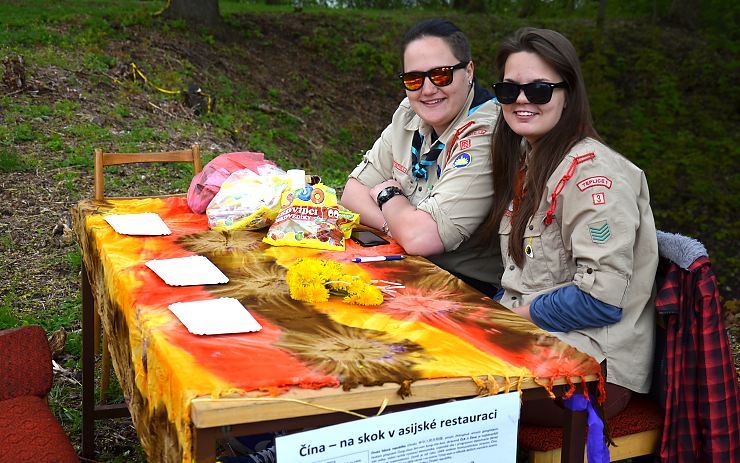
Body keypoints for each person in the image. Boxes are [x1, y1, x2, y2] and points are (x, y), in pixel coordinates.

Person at [479, 27, 658, 423]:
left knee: (438, 391)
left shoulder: (594, 176)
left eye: (539, 90)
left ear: (568, 94)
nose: (521, 100)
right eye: (509, 91)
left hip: (591, 369)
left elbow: (601, 299)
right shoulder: (532, 159)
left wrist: (504, 320)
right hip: (536, 340)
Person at [340, 18, 502, 296]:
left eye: (441, 75)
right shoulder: (409, 113)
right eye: (414, 79)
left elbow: (422, 238)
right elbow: (352, 194)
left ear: (469, 71)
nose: (427, 90)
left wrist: (389, 195)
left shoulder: (487, 130)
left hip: (465, 286)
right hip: (406, 263)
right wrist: (399, 224)